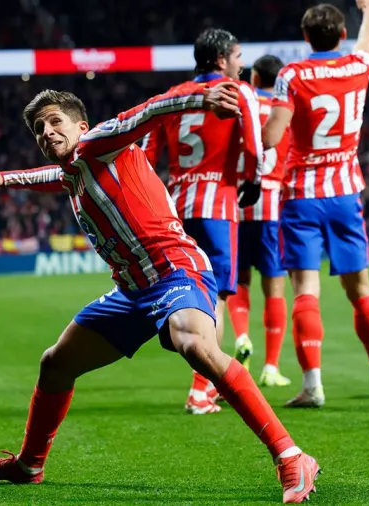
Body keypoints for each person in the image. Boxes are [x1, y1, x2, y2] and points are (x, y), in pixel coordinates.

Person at [0, 82, 320, 503]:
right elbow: (49, 177)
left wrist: (198, 98)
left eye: (55, 122)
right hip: (132, 291)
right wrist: (1, 180)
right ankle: (29, 465)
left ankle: (291, 455)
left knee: (194, 345)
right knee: (55, 364)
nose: (46, 132)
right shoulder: (74, 170)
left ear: (82, 126)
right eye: (39, 129)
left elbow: (148, 111)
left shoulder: (101, 142)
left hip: (176, 270)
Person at [260, 0, 369, 407]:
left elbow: (271, 138)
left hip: (302, 194)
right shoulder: (358, 66)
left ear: (306, 38)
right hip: (344, 192)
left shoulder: (292, 75)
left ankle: (313, 386)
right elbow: (368, 38)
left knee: (305, 289)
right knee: (360, 289)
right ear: (341, 35)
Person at [143, 28, 264, 414]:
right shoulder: (237, 91)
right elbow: (254, 147)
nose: (241, 64)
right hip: (218, 208)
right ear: (221, 59)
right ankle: (202, 390)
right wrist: (254, 182)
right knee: (216, 300)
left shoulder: (171, 96)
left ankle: (201, 384)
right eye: (238, 56)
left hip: (176, 209)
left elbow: (147, 155)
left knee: (184, 294)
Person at [226, 55, 293, 388]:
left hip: (237, 204)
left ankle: (241, 337)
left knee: (239, 281)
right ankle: (271, 366)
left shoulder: (242, 106)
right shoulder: (285, 111)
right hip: (271, 206)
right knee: (274, 286)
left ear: (253, 76)